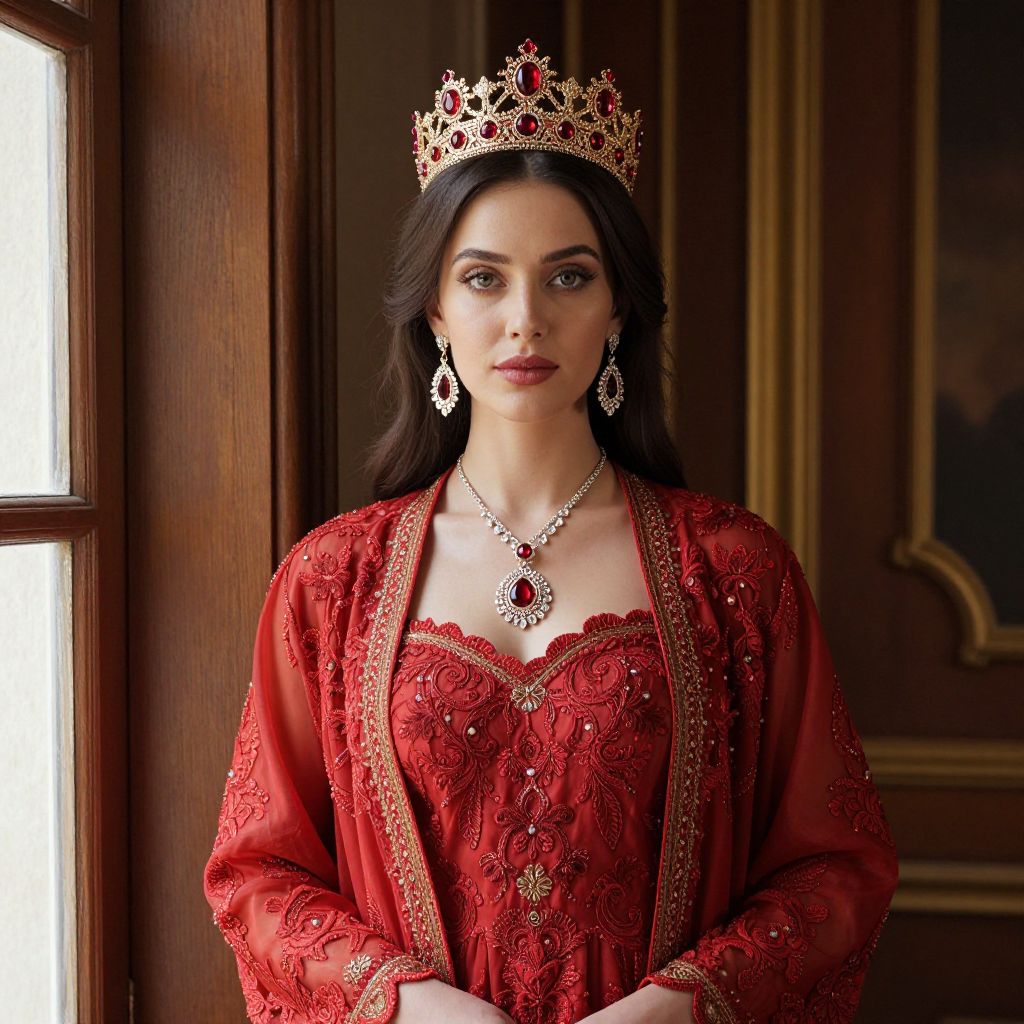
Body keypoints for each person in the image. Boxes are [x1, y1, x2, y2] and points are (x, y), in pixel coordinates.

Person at [203, 39, 899, 1024]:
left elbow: (836, 866)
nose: (525, 317)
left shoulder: (735, 572)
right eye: (484, 279)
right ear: (435, 311)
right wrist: (411, 1005)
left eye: (567, 278)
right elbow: (258, 871)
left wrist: (675, 1005)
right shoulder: (331, 582)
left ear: (616, 304)